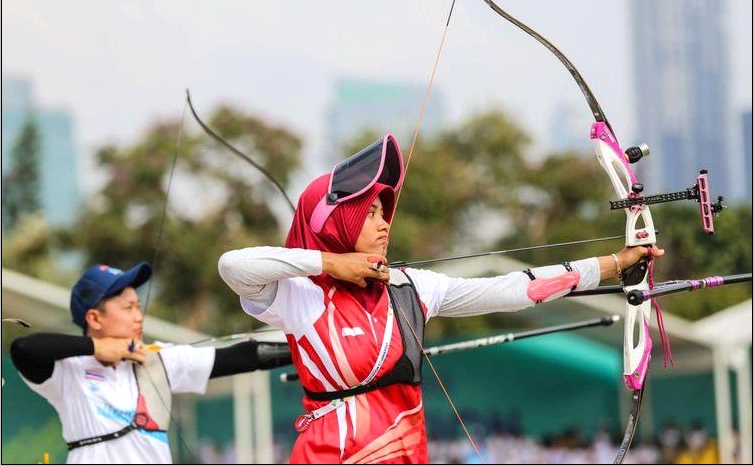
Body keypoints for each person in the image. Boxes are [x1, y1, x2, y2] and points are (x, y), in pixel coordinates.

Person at [218, 134, 665, 464]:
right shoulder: (298, 296)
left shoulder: (409, 287)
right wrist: (331, 265)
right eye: (368, 213)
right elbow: (233, 267)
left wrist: (611, 264)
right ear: (336, 222)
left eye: (383, 212)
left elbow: (511, 289)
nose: (383, 224)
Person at [10, 262, 291, 464]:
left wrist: (312, 350)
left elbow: (242, 357)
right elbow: (23, 348)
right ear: (95, 319)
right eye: (128, 308)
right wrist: (99, 347)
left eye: (138, 307)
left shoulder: (156, 357)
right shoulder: (69, 370)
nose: (138, 317)